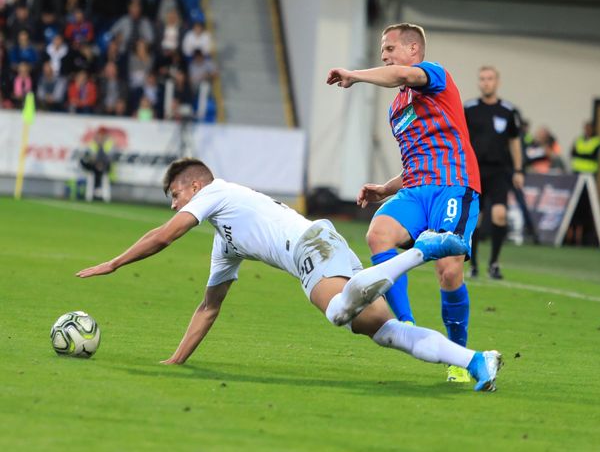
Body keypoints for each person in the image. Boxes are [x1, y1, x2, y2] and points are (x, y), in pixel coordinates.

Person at [76, 158, 503, 392]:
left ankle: (420, 252)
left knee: (337, 313)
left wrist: (114, 262)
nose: (174, 206)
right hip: (321, 247)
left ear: (192, 187)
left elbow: (167, 235)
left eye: (174, 196)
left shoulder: (217, 191)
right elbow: (209, 307)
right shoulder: (226, 238)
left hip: (310, 248)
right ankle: (476, 362)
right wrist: (176, 361)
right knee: (385, 331)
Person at [327, 23, 480, 383]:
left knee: (449, 270)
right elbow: (417, 162)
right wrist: (385, 188)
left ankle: (459, 355)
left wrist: (354, 75)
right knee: (378, 233)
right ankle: (405, 323)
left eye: (390, 48)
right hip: (415, 190)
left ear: (413, 51)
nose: (384, 55)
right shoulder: (398, 108)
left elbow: (398, 74)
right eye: (383, 50)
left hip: (454, 186)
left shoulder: (435, 75)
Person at [464, 66, 524, 280]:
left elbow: (515, 142)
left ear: (497, 82)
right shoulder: (469, 108)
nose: (486, 82)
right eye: (482, 79)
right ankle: (473, 265)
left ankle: (494, 263)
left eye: (489, 79)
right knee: (476, 219)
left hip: (499, 171)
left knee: (499, 215)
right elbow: (460, 139)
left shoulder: (508, 111)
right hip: (474, 171)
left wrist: (518, 169)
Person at [567, 121, 600, 245]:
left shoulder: (597, 141)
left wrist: (580, 154)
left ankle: (583, 238)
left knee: (586, 210)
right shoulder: (579, 140)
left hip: (589, 179)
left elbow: (592, 156)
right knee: (574, 208)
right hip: (576, 177)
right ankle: (570, 237)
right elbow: (572, 153)